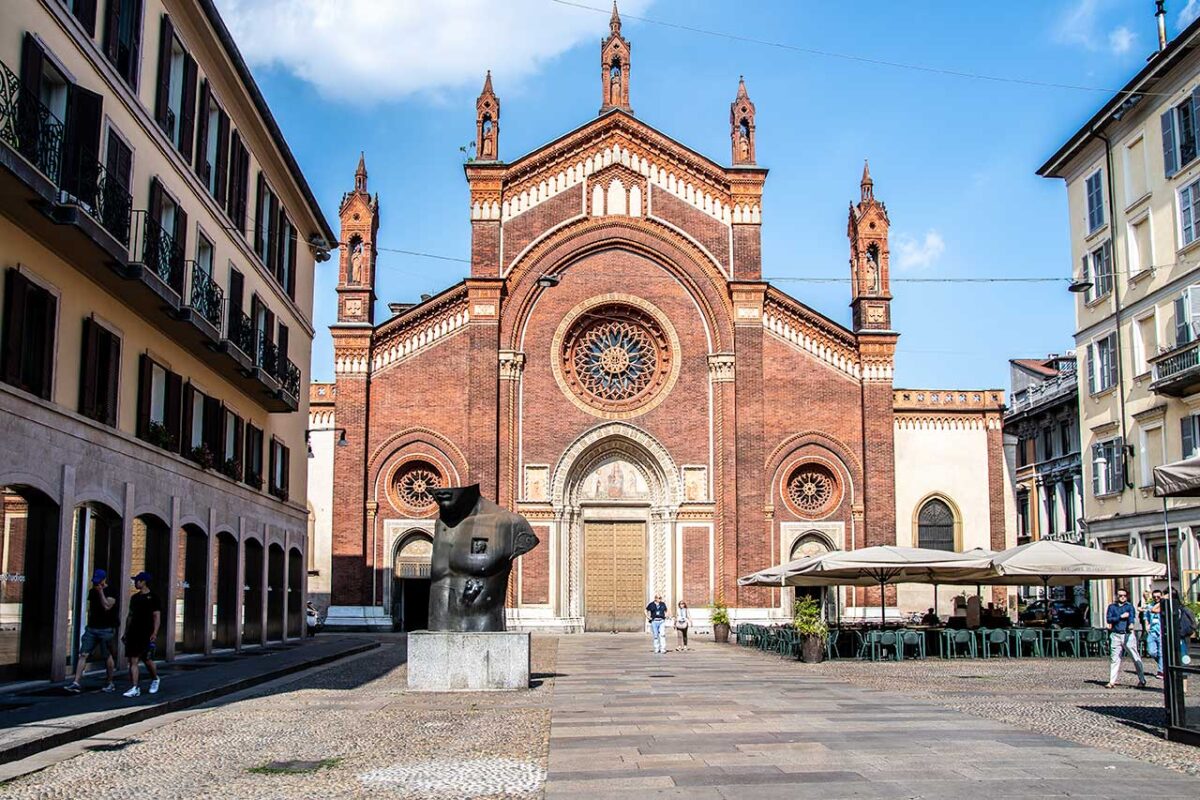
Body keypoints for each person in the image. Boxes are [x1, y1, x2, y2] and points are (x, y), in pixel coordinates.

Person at [65, 569, 117, 694]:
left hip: (106, 629)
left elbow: (107, 606)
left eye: (99, 581)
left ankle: (110, 682)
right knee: (83, 654)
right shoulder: (92, 591)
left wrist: (100, 593)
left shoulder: (111, 591)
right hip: (92, 628)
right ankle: (76, 682)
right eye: (95, 582)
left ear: (104, 580)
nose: (96, 584)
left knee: (107, 656)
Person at [122, 572, 161, 698]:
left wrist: (154, 632)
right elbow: (130, 616)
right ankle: (134, 687)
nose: (135, 583)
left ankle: (155, 678)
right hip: (134, 631)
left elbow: (156, 616)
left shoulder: (153, 597)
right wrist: (126, 632)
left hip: (146, 632)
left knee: (147, 659)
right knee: (133, 659)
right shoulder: (134, 598)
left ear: (143, 582)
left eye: (137, 581)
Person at [1105, 588, 1146, 689]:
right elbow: (1109, 619)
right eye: (1120, 595)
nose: (1122, 597)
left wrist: (1131, 624)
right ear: (1117, 596)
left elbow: (1131, 617)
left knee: (1135, 657)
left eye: (1124, 595)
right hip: (1115, 635)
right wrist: (1120, 616)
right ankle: (1111, 681)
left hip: (1127, 634)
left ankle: (1142, 679)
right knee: (1114, 658)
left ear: (1126, 596)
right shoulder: (1112, 607)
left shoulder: (1129, 606)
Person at [1143, 589, 1163, 679]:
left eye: (1158, 597)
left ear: (1161, 596)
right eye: (1154, 597)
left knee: (1161, 652)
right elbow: (1146, 616)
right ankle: (1163, 664)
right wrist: (1146, 625)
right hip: (1152, 632)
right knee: (1151, 652)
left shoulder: (1163, 606)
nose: (1156, 598)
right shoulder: (1149, 606)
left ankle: (1161, 671)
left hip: (1161, 631)